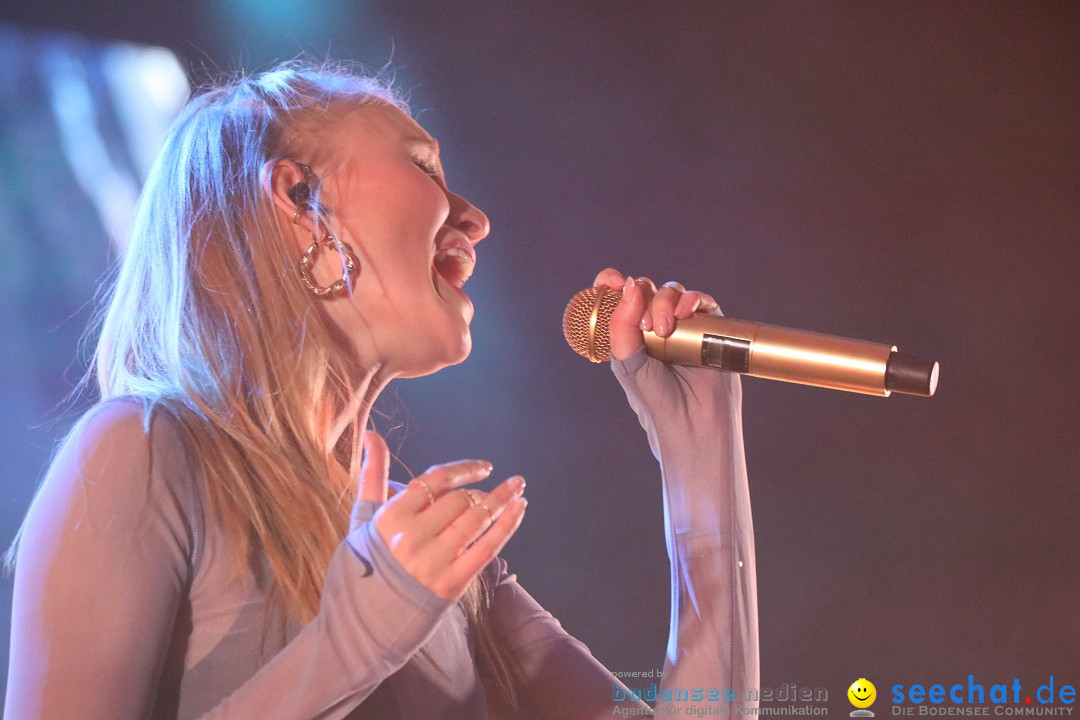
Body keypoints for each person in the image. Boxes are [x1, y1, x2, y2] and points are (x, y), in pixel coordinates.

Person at [4, 62, 758, 719]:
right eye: (425, 166)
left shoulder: (431, 547)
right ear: (301, 199)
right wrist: (353, 642)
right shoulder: (140, 454)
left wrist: (699, 452)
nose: (478, 219)